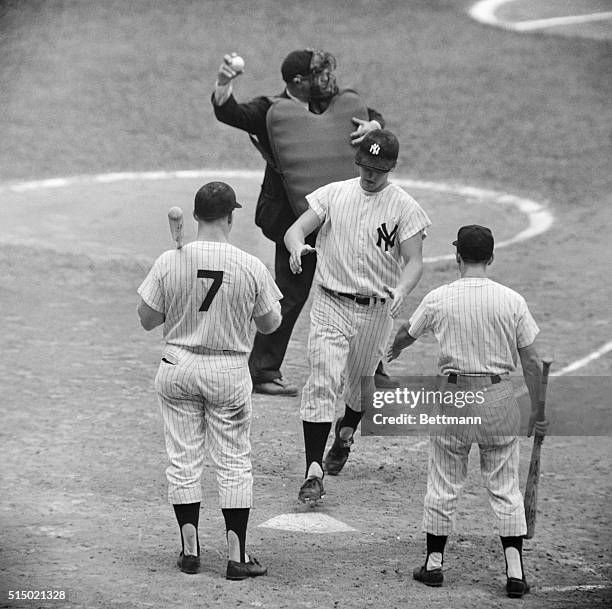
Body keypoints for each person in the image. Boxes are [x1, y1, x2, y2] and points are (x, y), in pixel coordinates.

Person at [212, 48, 396, 396]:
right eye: (318, 76)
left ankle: (372, 370)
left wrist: (375, 126)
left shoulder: (341, 105)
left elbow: (372, 117)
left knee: (360, 290)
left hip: (342, 219)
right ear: (298, 81)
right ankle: (263, 371)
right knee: (290, 294)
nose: (327, 81)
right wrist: (224, 83)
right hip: (292, 217)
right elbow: (230, 112)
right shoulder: (271, 111)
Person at [387, 225, 549, 599]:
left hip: (454, 398)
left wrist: (395, 351)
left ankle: (433, 564)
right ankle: (514, 570)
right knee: (505, 488)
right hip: (497, 397)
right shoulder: (511, 300)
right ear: (491, 258)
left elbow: (406, 334)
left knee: (443, 481)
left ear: (457, 256)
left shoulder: (440, 297)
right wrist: (539, 408)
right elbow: (531, 361)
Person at [136, 182, 282, 580]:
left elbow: (147, 319)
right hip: (228, 372)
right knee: (234, 462)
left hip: (177, 364)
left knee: (183, 460)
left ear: (195, 216)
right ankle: (237, 558)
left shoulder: (171, 260)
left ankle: (189, 552)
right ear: (231, 217)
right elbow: (271, 323)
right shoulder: (250, 265)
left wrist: (177, 301)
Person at [284, 129, 431, 503]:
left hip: (376, 311)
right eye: (365, 166)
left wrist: (401, 289)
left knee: (360, 389)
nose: (370, 175)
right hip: (330, 303)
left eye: (378, 169)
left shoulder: (405, 208)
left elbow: (414, 261)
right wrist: (296, 246)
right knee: (321, 381)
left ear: (392, 168)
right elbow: (297, 229)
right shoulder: (334, 194)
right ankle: (313, 471)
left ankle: (346, 430)